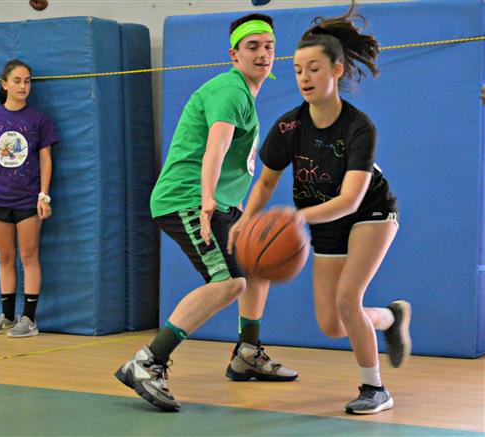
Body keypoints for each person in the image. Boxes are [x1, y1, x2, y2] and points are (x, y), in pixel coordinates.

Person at [228, 1, 411, 415]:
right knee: (332, 323)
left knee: (348, 298)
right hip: (323, 221)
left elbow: (350, 199)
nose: (304, 78)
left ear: (337, 71)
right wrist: (247, 220)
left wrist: (294, 217)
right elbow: (268, 181)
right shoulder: (290, 125)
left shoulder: (358, 126)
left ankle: (375, 388)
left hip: (370, 213)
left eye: (313, 69)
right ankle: (390, 318)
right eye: (297, 70)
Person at [115, 13, 298, 412]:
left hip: (217, 202)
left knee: (256, 268)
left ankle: (247, 353)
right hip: (188, 199)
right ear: (234, 55)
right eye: (252, 47)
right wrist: (208, 203)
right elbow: (215, 147)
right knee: (229, 283)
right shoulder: (230, 91)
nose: (263, 53)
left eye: (268, 46)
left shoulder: (245, 93)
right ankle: (148, 361)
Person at [0, 59, 57, 338]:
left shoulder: (39, 120)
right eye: (18, 80)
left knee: (28, 256)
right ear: (4, 84)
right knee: (4, 257)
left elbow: (45, 160)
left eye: (28, 81)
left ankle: (28, 319)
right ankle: (7, 317)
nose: (23, 86)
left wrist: (43, 196)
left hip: (28, 201)